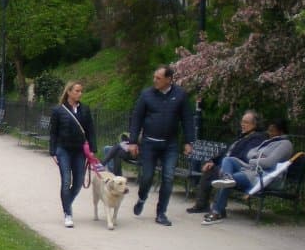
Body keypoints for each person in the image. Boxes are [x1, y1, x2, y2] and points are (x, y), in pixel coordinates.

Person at [126, 65, 195, 226]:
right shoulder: (146, 95)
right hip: (149, 143)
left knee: (168, 177)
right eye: (154, 77)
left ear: (169, 79)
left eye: (158, 78)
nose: (154, 80)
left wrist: (189, 141)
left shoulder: (180, 95)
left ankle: (161, 213)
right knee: (147, 177)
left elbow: (187, 120)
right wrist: (133, 142)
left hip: (170, 144)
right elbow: (136, 118)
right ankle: (142, 198)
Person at [203, 118, 294, 225]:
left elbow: (270, 162)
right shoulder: (269, 141)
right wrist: (258, 158)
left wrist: (255, 159)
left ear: (281, 131)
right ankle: (227, 178)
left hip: (263, 177)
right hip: (252, 169)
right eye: (269, 130)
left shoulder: (285, 144)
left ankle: (216, 211)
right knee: (228, 160)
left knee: (230, 179)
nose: (269, 133)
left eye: (272, 130)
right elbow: (250, 153)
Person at [186, 110, 266, 214]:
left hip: (239, 168)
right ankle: (202, 205)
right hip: (225, 164)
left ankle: (218, 209)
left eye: (246, 122)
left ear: (254, 124)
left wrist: (224, 163)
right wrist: (213, 162)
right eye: (242, 121)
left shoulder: (257, 138)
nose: (242, 124)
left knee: (224, 174)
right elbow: (226, 152)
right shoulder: (241, 136)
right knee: (209, 169)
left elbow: (246, 155)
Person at [49, 81, 98, 228]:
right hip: (63, 149)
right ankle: (68, 213)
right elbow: (53, 132)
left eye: (81, 91)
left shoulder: (85, 109)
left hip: (79, 150)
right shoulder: (58, 110)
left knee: (78, 183)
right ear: (69, 92)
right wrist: (53, 151)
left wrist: (93, 149)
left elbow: (90, 130)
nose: (79, 93)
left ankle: (66, 202)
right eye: (77, 91)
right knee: (66, 181)